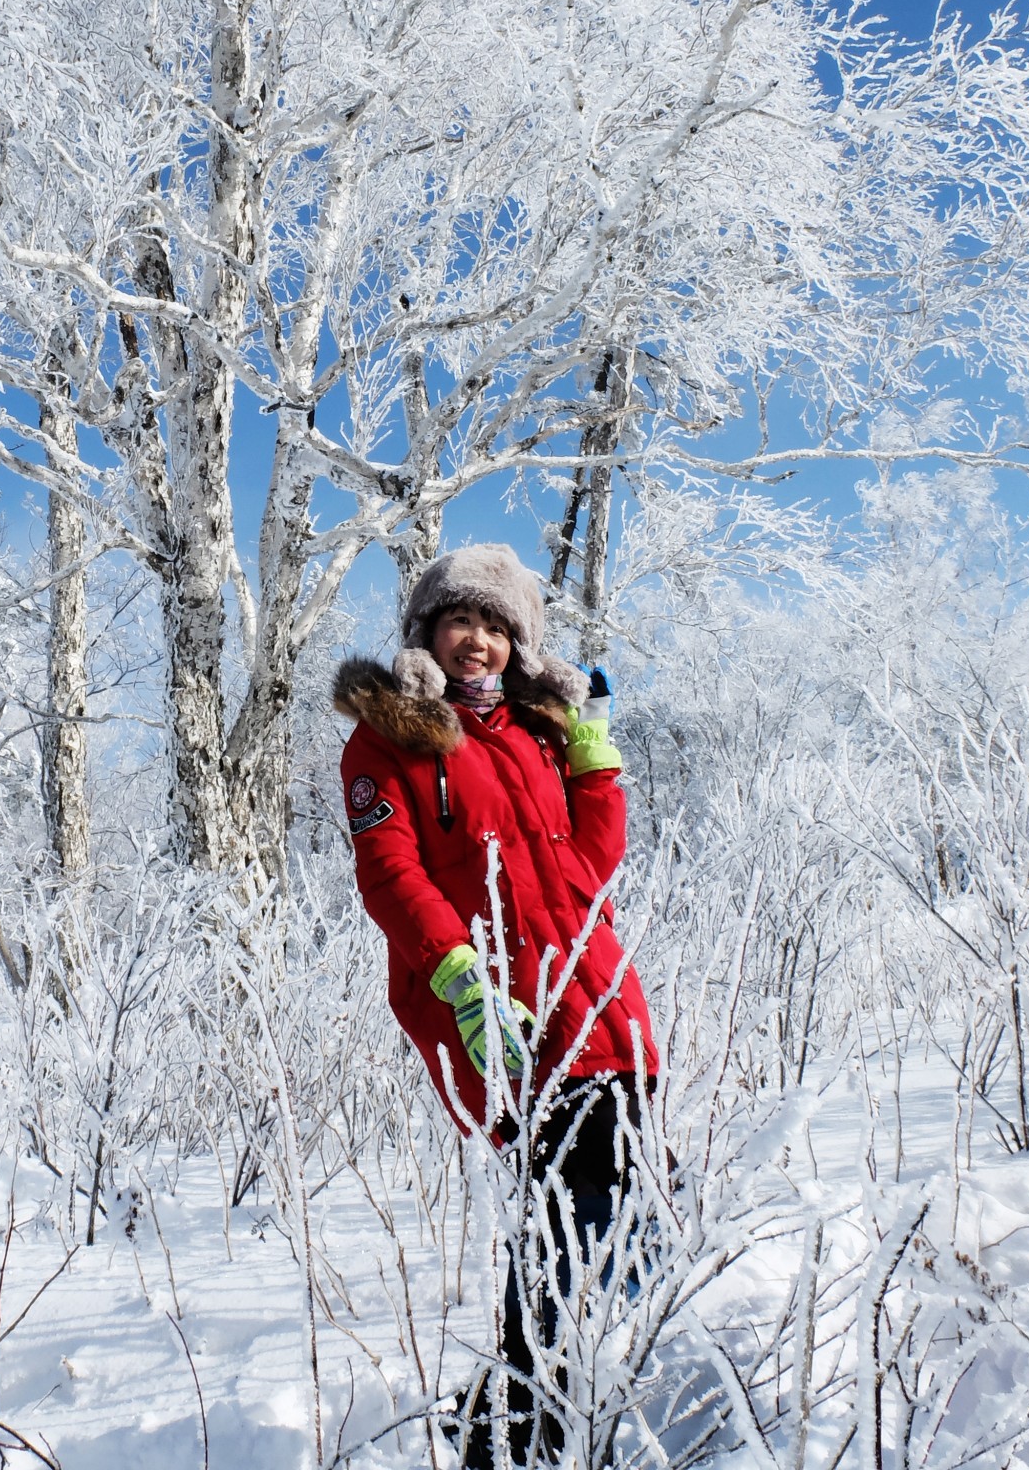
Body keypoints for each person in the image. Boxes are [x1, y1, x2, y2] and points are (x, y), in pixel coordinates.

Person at [333, 543, 656, 1466]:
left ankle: (535, 1411)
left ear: (518, 644)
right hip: (502, 1008)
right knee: (565, 1214)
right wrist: (459, 977)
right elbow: (389, 871)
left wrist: (593, 757)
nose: (477, 641)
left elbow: (588, 870)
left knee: (618, 1212)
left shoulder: (535, 735)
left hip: (598, 997)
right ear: (428, 631)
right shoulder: (390, 734)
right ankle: (520, 1427)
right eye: (460, 620)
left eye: (496, 626)